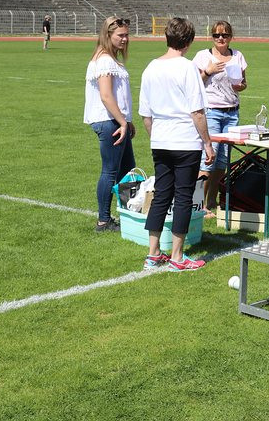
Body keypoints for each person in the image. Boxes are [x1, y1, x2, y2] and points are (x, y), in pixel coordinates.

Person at [138, 17, 215, 272]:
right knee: (182, 196)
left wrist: (156, 136)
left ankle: (153, 253)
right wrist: (207, 143)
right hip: (184, 141)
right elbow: (197, 112)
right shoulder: (187, 68)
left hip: (160, 140)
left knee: (161, 194)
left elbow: (145, 114)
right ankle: (178, 256)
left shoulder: (151, 67)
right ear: (189, 41)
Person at [84, 16, 135, 232]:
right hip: (109, 122)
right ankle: (104, 221)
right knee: (110, 171)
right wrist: (123, 121)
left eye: (126, 35)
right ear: (108, 35)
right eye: (120, 35)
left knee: (127, 170)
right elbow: (106, 95)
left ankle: (129, 214)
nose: (125, 39)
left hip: (116, 121)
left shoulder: (108, 59)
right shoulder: (104, 60)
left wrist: (127, 121)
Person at [192, 20, 248, 219]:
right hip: (211, 111)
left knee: (223, 161)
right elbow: (193, 82)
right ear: (212, 37)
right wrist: (208, 71)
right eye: (216, 35)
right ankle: (197, 205)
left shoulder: (238, 56)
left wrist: (238, 85)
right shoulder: (203, 56)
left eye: (224, 35)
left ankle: (212, 202)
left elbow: (244, 84)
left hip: (232, 112)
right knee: (208, 159)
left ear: (231, 37)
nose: (221, 38)